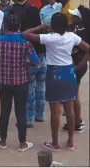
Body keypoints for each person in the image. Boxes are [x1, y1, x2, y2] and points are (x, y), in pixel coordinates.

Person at [22, 13, 89, 151]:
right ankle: (70, 141)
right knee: (69, 109)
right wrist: (79, 66)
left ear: (52, 25)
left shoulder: (49, 38)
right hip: (69, 73)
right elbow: (88, 49)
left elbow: (25, 34)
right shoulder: (72, 36)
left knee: (55, 112)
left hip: (54, 74)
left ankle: (55, 143)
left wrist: (41, 26)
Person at [0, 14, 39, 152]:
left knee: (5, 111)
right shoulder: (25, 42)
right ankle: (22, 143)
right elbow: (36, 61)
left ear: (6, 26)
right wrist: (26, 62)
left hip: (4, 82)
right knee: (21, 112)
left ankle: (3, 141)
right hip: (21, 82)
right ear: (19, 26)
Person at [11, 0, 47, 128]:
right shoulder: (37, 22)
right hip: (42, 55)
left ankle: (29, 119)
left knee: (30, 88)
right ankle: (40, 114)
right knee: (41, 87)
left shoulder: (25, 34)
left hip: (31, 57)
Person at [61, 6, 89, 133]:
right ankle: (77, 121)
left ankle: (77, 123)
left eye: (74, 16)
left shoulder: (81, 33)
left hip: (77, 66)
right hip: (78, 66)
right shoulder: (78, 29)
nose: (72, 17)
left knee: (73, 96)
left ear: (80, 18)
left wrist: (79, 66)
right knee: (73, 95)